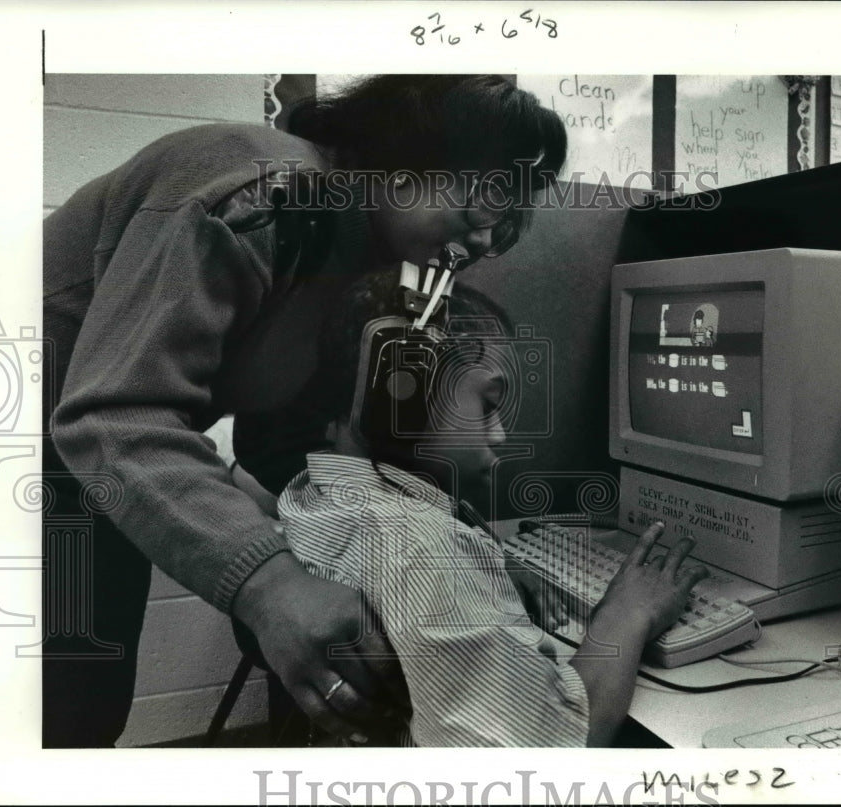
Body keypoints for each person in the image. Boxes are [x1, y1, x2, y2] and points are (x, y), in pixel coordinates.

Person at [42, 74, 567, 747]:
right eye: (482, 194)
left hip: (81, 467)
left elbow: (285, 439)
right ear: (403, 156)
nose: (486, 233)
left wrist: (469, 561)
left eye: (509, 215)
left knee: (82, 699)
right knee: (61, 713)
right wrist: (269, 582)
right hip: (30, 451)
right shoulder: (259, 190)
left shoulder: (358, 256)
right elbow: (117, 417)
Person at [263, 272, 709, 746]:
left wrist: (486, 566)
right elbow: (551, 754)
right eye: (487, 405)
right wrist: (626, 613)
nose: (499, 435)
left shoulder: (315, 492)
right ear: (402, 396)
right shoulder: (422, 552)